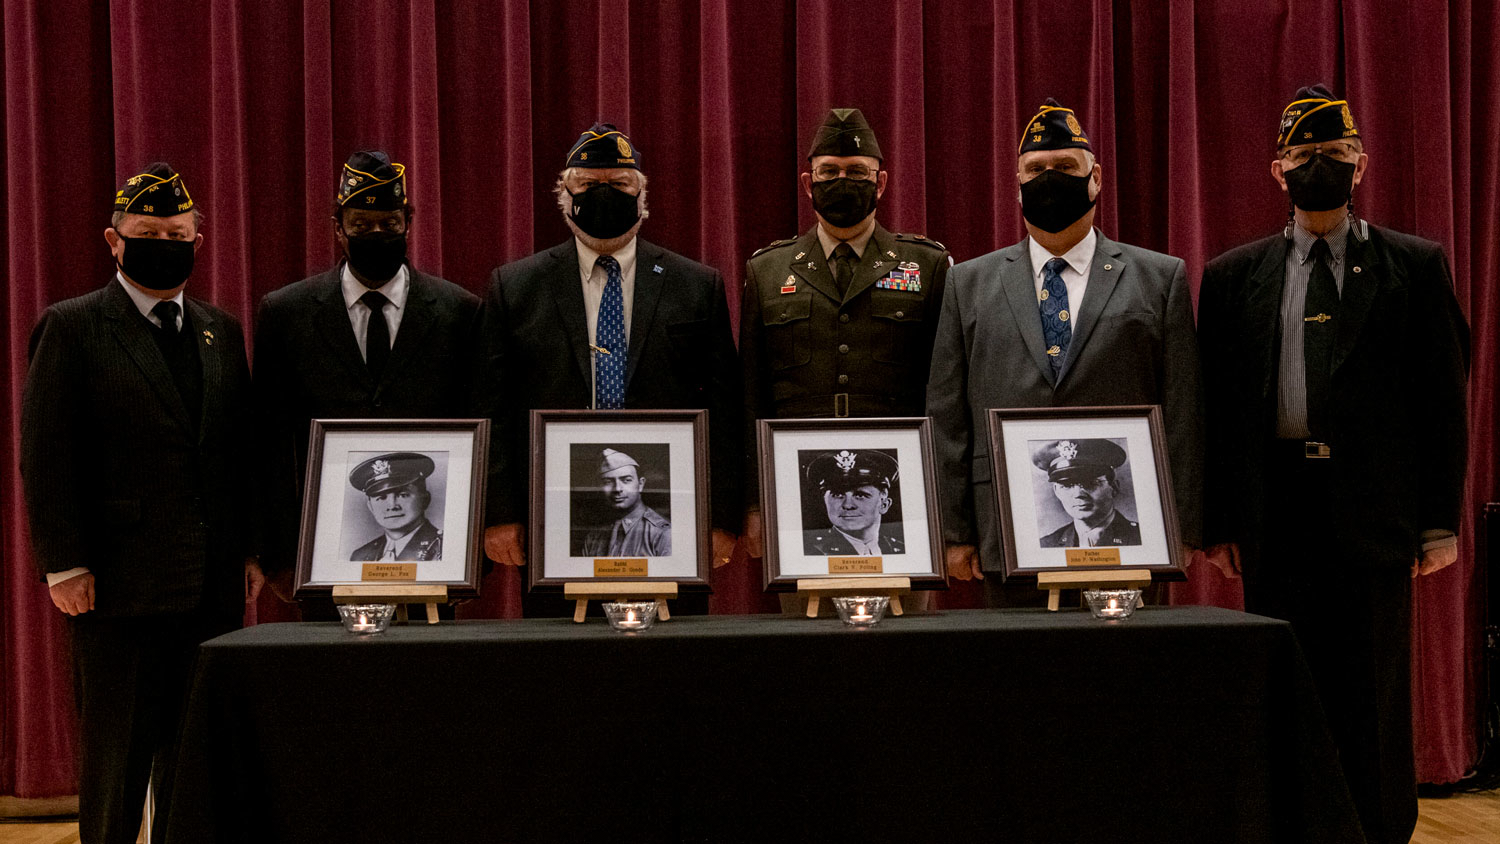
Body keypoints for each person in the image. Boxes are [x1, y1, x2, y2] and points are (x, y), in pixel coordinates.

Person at [1198, 85, 1469, 844]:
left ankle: (1379, 832)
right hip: (1275, 509)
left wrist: (1439, 521)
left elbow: (1442, 402)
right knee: (1285, 683)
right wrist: (1218, 521)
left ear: (1362, 164)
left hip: (1374, 511)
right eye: (1304, 155)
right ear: (1276, 169)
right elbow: (1217, 409)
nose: (1320, 166)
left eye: (1336, 153)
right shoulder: (1232, 277)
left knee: (1372, 692)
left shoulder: (1414, 266)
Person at [19, 163, 262, 844]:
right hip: (116, 591)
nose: (165, 244)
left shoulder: (220, 330)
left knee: (195, 765)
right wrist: (64, 563)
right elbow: (46, 453)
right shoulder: (72, 327)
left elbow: (236, 452)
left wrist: (248, 548)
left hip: (208, 588)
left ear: (199, 242)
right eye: (148, 233)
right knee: (117, 766)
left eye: (177, 235)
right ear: (114, 240)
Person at [926, 98, 1202, 606]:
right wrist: (952, 530)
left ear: (1095, 178)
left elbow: (1183, 411)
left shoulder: (1159, 279)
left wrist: (1181, 525)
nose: (1049, 178)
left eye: (1065, 166)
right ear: (1017, 184)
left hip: (1138, 535)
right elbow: (947, 416)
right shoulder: (968, 283)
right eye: (1035, 169)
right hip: (1004, 529)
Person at [476, 124, 740, 613]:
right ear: (564, 194)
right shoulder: (516, 288)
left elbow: (726, 405)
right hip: (552, 514)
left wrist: (721, 517)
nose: (604, 194)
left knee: (673, 654)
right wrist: (500, 512)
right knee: (562, 652)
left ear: (642, 195)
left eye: (619, 184)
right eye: (588, 184)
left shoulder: (695, 285)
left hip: (671, 515)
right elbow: (493, 406)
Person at [252, 151, 480, 605]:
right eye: (361, 225)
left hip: (437, 562)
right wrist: (276, 555)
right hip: (319, 558)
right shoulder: (286, 314)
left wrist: (468, 556)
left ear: (408, 224)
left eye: (389, 223)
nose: (376, 234)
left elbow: (476, 432)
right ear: (338, 228)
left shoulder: (460, 313)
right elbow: (269, 442)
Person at [740, 108, 949, 559]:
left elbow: (945, 391)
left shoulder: (926, 265)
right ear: (807, 183)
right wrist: (754, 502)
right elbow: (752, 394)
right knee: (805, 601)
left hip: (902, 484)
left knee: (906, 600)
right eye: (829, 172)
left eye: (857, 172)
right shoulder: (768, 270)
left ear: (881, 182)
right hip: (799, 484)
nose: (842, 181)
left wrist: (947, 500)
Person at [1031, 439, 1141, 548]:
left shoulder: (1141, 538)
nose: (1078, 494)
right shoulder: (1047, 545)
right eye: (1067, 485)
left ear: (1114, 487)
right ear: (1057, 491)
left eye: (1090, 483)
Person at [802, 450, 905, 556]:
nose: (848, 505)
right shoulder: (810, 552)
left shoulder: (900, 550)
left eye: (860, 495)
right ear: (825, 501)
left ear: (884, 505)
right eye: (838, 495)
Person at [348, 452, 443, 561]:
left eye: (403, 495)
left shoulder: (444, 549)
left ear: (425, 499)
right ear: (370, 507)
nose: (392, 506)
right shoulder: (359, 556)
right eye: (381, 498)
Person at [580, 448, 671, 556]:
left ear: (641, 484)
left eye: (626, 480)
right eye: (608, 482)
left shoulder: (662, 534)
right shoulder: (594, 537)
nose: (617, 489)